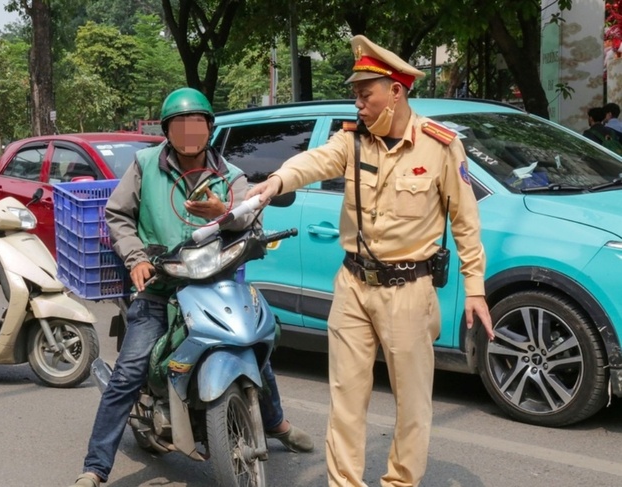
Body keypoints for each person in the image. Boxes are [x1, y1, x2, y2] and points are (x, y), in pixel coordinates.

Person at [247, 36, 494, 487]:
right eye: (356, 96)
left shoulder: (440, 147)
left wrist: (474, 287)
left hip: (409, 289)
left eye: (366, 95)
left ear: (395, 91)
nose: (358, 104)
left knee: (413, 402)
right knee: (346, 399)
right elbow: (312, 162)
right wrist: (273, 182)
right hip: (353, 286)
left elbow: (465, 222)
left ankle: (400, 481)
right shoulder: (352, 142)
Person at [71, 87, 313, 487]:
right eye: (180, 125)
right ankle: (95, 467)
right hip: (160, 286)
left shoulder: (230, 176)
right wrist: (137, 258)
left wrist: (225, 214)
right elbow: (118, 215)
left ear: (209, 129)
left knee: (257, 347)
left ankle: (277, 423)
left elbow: (250, 223)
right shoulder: (145, 165)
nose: (188, 133)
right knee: (128, 372)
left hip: (215, 283)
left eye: (196, 125)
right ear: (167, 131)